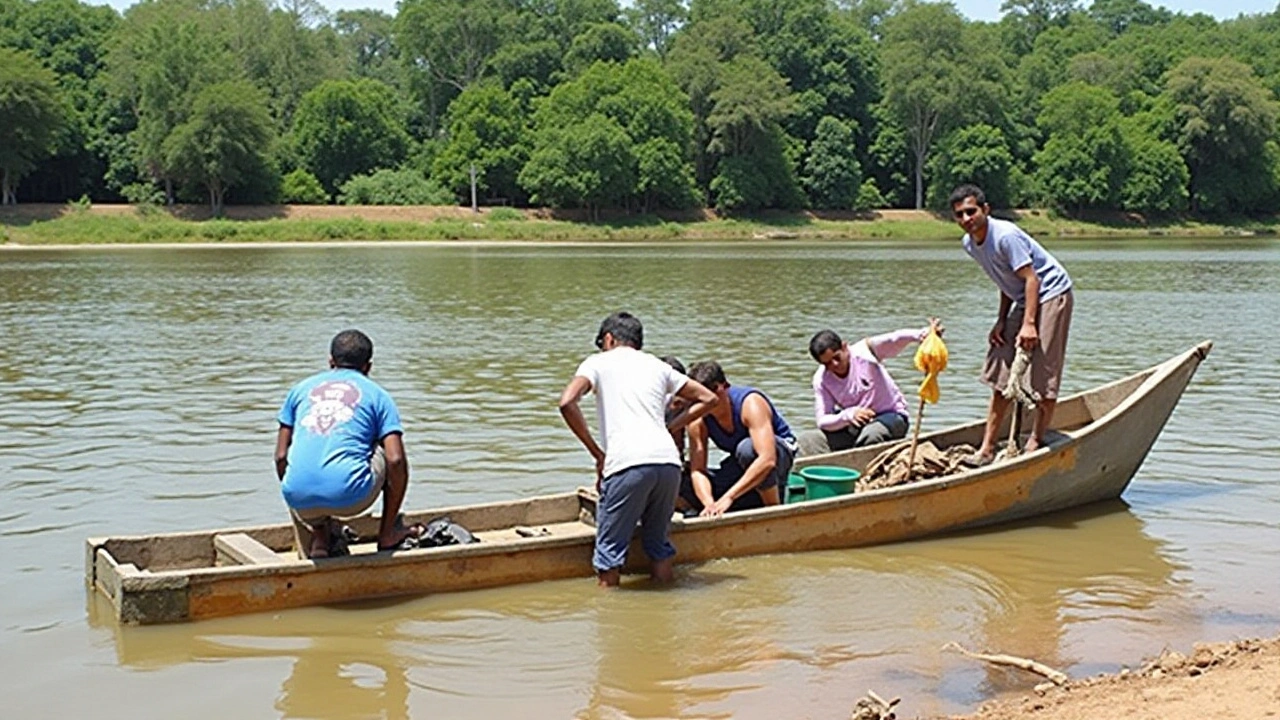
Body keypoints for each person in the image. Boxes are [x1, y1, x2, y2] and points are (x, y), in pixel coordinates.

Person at [558, 312, 717, 587]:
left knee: (609, 554)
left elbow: (567, 402)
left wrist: (597, 454)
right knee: (658, 543)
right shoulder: (658, 366)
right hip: (668, 465)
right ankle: (666, 604)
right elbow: (709, 397)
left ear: (608, 339)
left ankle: (609, 617)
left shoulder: (597, 363)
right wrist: (670, 428)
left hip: (627, 464)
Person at [950, 183, 1074, 463]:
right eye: (960, 215)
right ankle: (987, 449)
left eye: (971, 211)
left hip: (1052, 293)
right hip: (1022, 297)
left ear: (985, 210)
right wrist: (1002, 320)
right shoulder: (970, 244)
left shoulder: (1005, 236)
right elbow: (1005, 280)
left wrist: (1029, 324)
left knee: (1043, 373)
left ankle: (1034, 442)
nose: (967, 219)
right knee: (1002, 370)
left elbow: (1032, 279)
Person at [274, 329, 421, 558]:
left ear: (330, 362)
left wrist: (301, 498)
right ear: (368, 367)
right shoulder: (378, 395)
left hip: (299, 500)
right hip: (352, 498)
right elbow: (395, 460)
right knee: (387, 448)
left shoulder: (300, 390)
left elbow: (280, 457)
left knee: (298, 466)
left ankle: (319, 534)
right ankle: (388, 533)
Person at [797, 320, 942, 457]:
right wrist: (849, 415)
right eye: (827, 364)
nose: (834, 365)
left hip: (891, 416)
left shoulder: (864, 352)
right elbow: (823, 420)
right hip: (854, 424)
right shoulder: (822, 379)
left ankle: (866, 474)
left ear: (844, 347)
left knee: (871, 435)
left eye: (837, 358)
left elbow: (895, 338)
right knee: (807, 441)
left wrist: (922, 334)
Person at [684, 361, 799, 516]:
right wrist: (709, 503)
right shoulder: (698, 420)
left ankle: (772, 508)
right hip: (739, 461)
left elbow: (767, 459)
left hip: (777, 453)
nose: (703, 403)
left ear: (723, 387)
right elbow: (698, 470)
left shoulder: (751, 403)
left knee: (747, 448)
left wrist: (729, 497)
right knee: (680, 480)